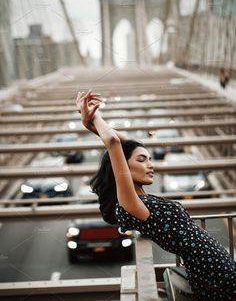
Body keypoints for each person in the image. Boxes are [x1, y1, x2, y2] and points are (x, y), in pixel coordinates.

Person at [76, 90, 236, 301]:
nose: (150, 165)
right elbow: (114, 143)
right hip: (213, 275)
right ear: (123, 166)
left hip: (217, 266)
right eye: (142, 160)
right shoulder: (131, 204)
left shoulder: (141, 199)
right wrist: (93, 115)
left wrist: (91, 125)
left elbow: (123, 143)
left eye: (150, 159)